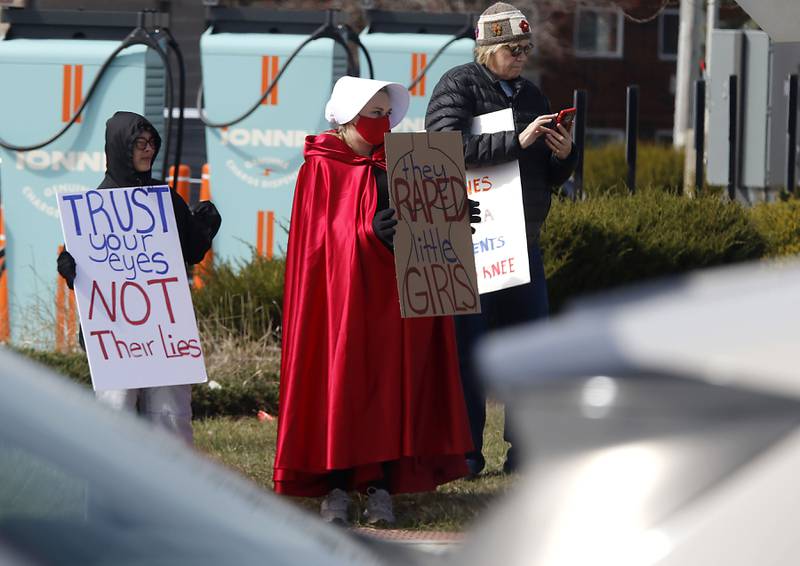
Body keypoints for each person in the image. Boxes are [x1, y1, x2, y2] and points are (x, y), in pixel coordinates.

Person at [273, 76, 474, 526]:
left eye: (387, 114)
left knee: (390, 389)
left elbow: (422, 223)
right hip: (340, 305)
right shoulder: (321, 168)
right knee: (341, 385)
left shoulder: (402, 165)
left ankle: (381, 484)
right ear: (346, 117)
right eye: (373, 113)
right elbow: (318, 245)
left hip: (394, 303)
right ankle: (336, 486)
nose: (382, 122)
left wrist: (454, 218)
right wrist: (365, 234)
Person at [425, 2, 577, 477]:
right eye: (513, 49)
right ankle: (466, 454)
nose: (522, 57)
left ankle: (525, 453)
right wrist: (517, 138)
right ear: (487, 49)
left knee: (529, 350)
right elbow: (443, 149)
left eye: (527, 48)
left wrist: (564, 155)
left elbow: (544, 176)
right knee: (470, 351)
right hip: (473, 241)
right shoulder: (457, 84)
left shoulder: (531, 93)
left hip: (522, 241)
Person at [56, 111, 221, 445]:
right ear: (121, 148)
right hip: (115, 334)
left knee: (170, 417)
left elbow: (188, 252)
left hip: (164, 332)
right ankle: (114, 495)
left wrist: (202, 226)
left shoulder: (164, 199)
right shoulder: (92, 207)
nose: (148, 150)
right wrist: (70, 266)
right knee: (115, 417)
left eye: (151, 143)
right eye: (139, 144)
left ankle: (171, 491)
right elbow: (90, 272)